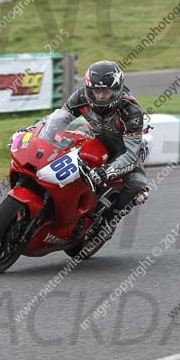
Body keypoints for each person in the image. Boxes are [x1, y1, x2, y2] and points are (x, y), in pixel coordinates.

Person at [39, 60, 149, 246]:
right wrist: (44, 138)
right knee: (63, 144)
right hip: (94, 132)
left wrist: (107, 171)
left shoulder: (131, 110)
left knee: (136, 184)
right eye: (96, 91)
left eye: (106, 92)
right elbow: (60, 118)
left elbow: (131, 154)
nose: (100, 97)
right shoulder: (81, 96)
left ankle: (109, 220)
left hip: (123, 145)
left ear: (117, 89)